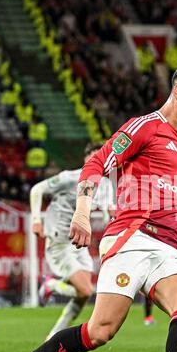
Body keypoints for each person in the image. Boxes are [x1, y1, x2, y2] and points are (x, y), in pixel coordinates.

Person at [3, 61, 177, 352]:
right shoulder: (146, 127)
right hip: (132, 239)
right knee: (100, 331)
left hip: (167, 247)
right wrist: (83, 211)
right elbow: (97, 163)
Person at [30, 142, 114, 340]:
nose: (98, 160)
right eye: (94, 156)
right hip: (59, 238)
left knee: (85, 293)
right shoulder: (70, 177)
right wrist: (36, 220)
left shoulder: (106, 184)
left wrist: (111, 216)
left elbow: (107, 212)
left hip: (78, 242)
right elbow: (37, 190)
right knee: (85, 289)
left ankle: (53, 336)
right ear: (86, 158)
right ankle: (50, 285)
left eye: (102, 156)